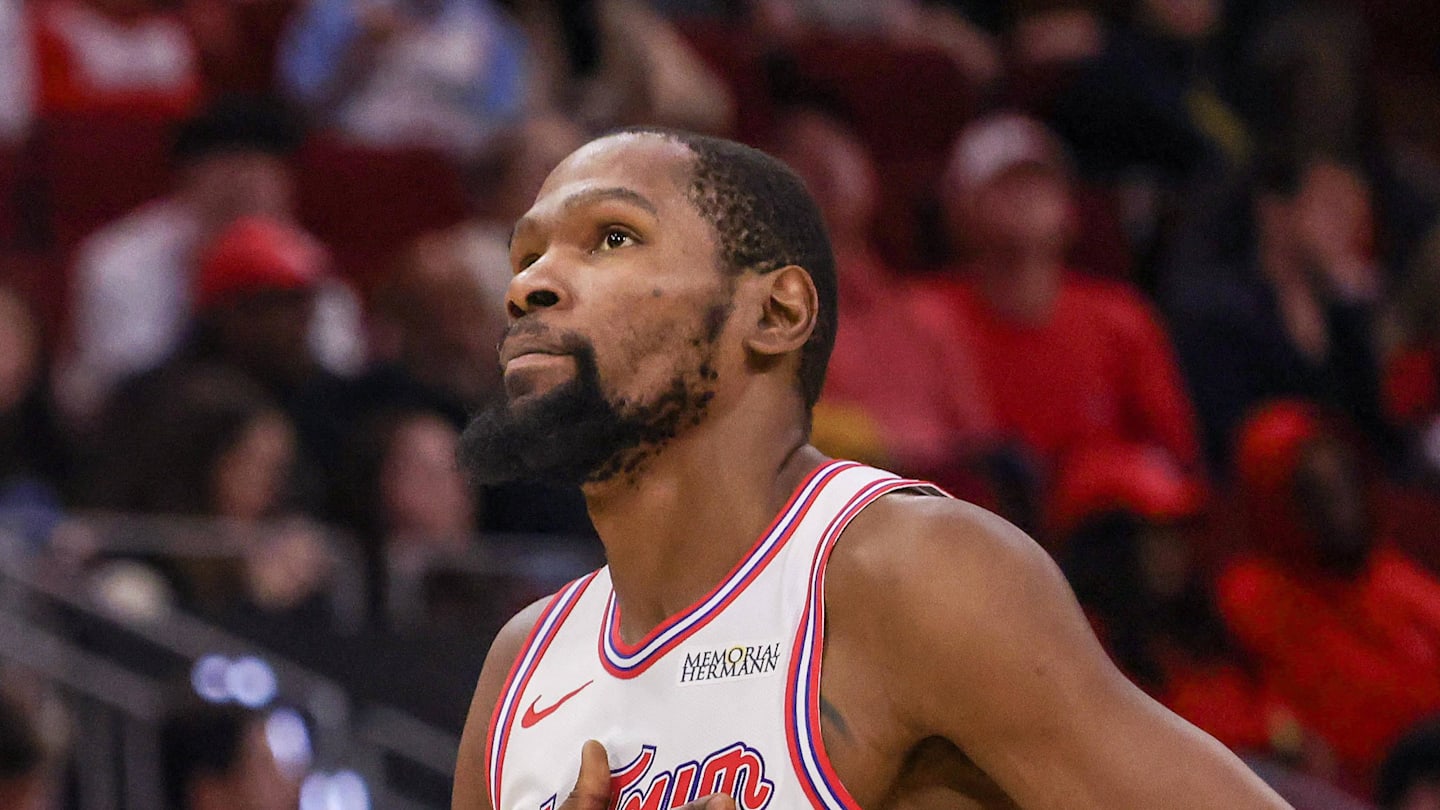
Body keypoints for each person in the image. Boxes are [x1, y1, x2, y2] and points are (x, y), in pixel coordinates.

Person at [450, 128, 1288, 809]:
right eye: (524, 256)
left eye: (613, 237)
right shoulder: (521, 668)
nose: (530, 285)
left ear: (776, 312)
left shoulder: (912, 575)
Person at [1216, 400, 1440, 787]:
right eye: (1316, 493)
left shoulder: (1391, 576)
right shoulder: (1253, 598)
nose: (1341, 510)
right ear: (1277, 502)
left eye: (1345, 482)